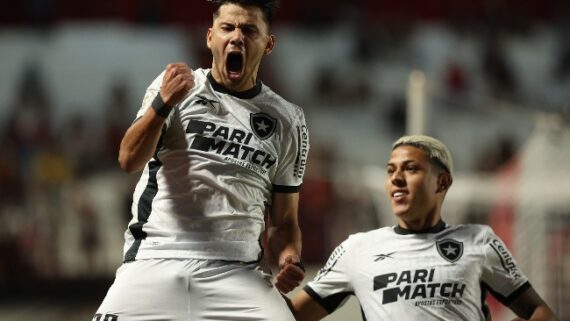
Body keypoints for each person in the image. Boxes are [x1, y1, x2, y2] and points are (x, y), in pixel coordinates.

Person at [93, 1, 309, 320]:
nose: (237, 37)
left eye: (249, 30)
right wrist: (162, 104)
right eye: (227, 28)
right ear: (210, 37)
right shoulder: (177, 90)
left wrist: (289, 258)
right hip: (155, 260)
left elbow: (285, 222)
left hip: (238, 273)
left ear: (268, 43)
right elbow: (128, 159)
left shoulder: (287, 120)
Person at [289, 135, 558, 321]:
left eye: (410, 169)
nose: (396, 178)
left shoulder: (479, 241)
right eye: (390, 170)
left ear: (441, 183)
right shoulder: (356, 249)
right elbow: (293, 315)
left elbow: (541, 312)